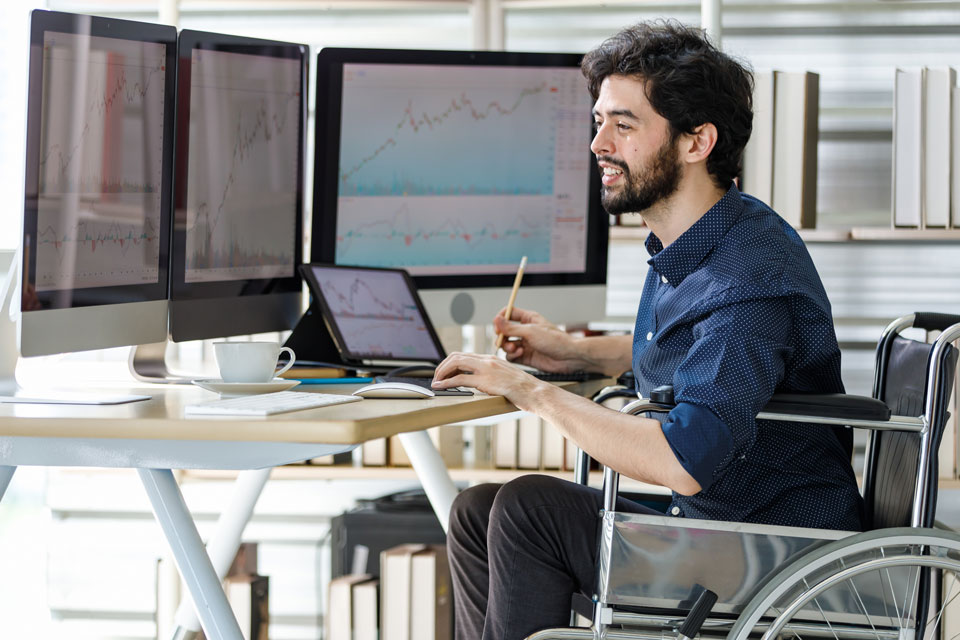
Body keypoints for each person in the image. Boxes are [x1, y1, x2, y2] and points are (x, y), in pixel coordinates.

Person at [430, 19, 863, 640]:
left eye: (624, 125)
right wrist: (575, 354)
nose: (598, 143)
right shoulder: (704, 237)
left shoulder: (749, 276)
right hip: (723, 529)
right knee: (475, 511)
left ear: (696, 141)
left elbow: (686, 460)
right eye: (599, 120)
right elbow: (696, 351)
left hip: (774, 554)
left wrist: (533, 392)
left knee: (532, 511)